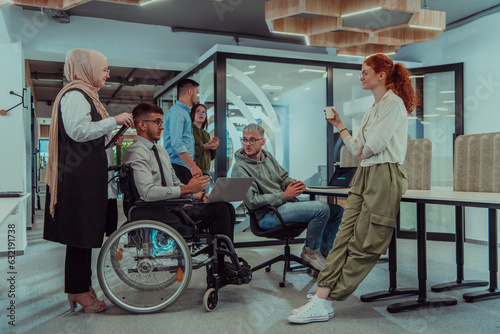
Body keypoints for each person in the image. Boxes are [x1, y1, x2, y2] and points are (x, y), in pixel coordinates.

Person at [287, 53, 416, 324]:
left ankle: (327, 299)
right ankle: (322, 296)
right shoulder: (372, 109)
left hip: (384, 174)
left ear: (381, 75)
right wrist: (339, 126)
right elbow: (359, 150)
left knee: (366, 242)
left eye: (365, 72)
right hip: (365, 173)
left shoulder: (394, 104)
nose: (361, 77)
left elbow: (370, 148)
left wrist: (362, 148)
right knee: (344, 237)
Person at [43, 48, 134, 314]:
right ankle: (77, 290)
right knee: (79, 234)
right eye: (104, 68)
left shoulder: (87, 95)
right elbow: (79, 131)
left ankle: (82, 285)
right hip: (78, 180)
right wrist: (113, 121)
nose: (107, 73)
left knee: (85, 233)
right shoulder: (75, 94)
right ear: (87, 68)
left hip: (86, 177)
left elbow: (85, 139)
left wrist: (108, 137)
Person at [123, 102, 239, 282]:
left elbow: (175, 182)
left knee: (225, 206)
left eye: (162, 122)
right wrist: (187, 189)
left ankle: (222, 263)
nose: (162, 126)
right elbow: (147, 193)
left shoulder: (160, 151)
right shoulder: (136, 152)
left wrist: (198, 194)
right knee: (222, 211)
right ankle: (220, 269)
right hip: (156, 211)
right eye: (157, 122)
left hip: (172, 206)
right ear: (142, 124)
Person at [232, 123, 344, 272]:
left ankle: (323, 256)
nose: (247, 144)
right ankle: (311, 252)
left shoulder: (267, 157)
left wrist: (294, 184)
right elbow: (252, 202)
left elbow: (283, 177)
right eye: (245, 140)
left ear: (262, 141)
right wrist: (284, 195)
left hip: (284, 206)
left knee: (336, 210)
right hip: (267, 215)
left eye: (252, 140)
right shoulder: (240, 167)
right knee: (321, 208)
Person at [163, 78, 202, 184]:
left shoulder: (183, 112)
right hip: (179, 167)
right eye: (196, 93)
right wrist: (192, 166)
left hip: (183, 166)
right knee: (184, 199)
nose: (197, 97)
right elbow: (177, 143)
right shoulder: (178, 112)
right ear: (190, 92)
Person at [191, 103, 219, 176]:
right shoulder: (189, 131)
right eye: (198, 111)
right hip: (193, 171)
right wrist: (204, 147)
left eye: (204, 112)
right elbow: (188, 153)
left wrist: (213, 148)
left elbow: (210, 157)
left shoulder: (206, 134)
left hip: (206, 172)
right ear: (193, 114)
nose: (202, 114)